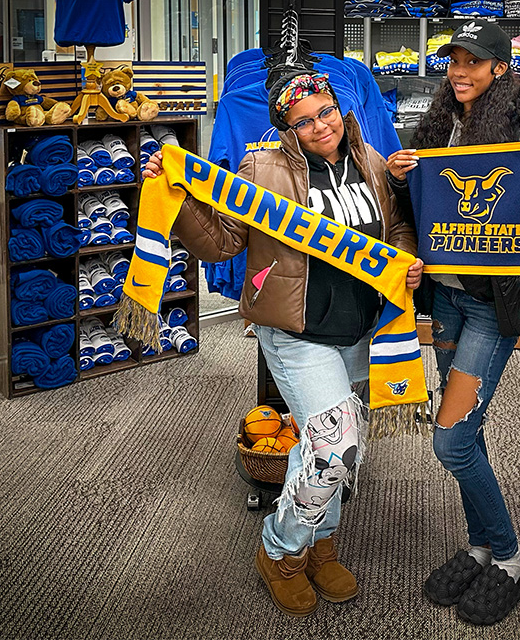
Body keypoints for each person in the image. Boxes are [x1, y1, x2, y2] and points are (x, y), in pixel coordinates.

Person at [143, 70, 421, 617]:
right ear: (286, 129)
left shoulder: (369, 160)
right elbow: (223, 242)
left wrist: (406, 260)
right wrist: (176, 203)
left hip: (363, 330)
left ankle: (321, 545)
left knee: (341, 449)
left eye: (326, 112)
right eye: (305, 121)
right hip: (296, 331)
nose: (322, 126)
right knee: (334, 445)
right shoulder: (261, 167)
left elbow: (397, 227)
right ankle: (280, 549)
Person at [385, 21, 520, 625]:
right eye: (453, 60)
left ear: (500, 68)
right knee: (466, 434)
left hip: (489, 308)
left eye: (474, 62)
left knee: (449, 437)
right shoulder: (435, 124)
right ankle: (477, 548)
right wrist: (400, 178)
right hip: (444, 301)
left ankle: (509, 555)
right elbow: (416, 206)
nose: (460, 71)